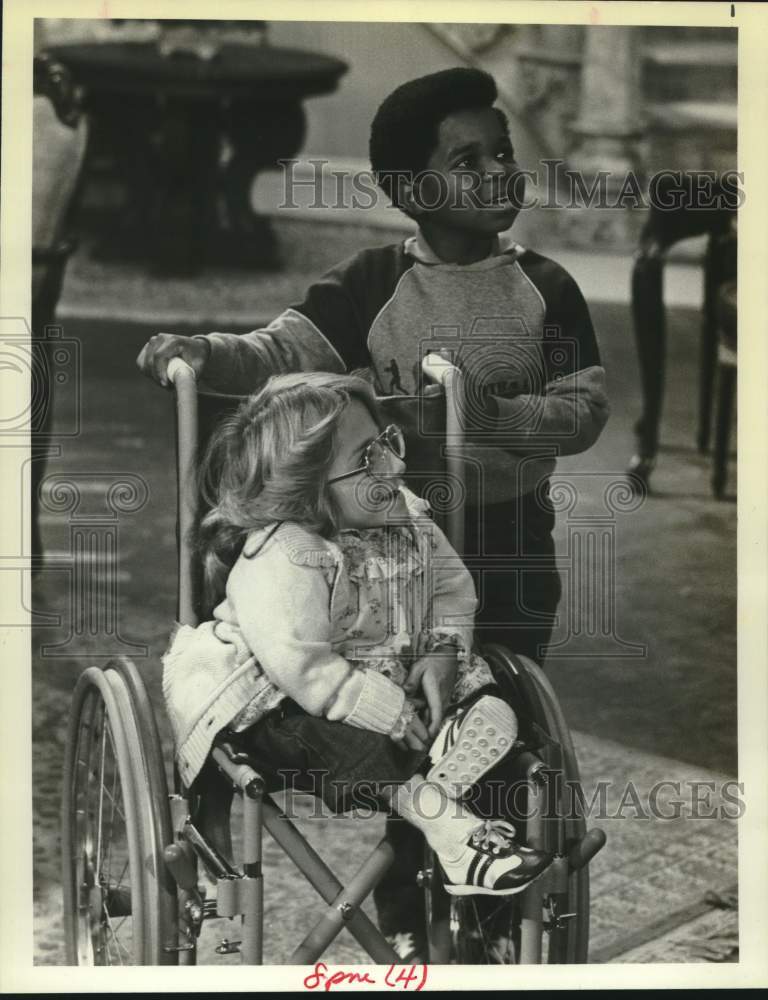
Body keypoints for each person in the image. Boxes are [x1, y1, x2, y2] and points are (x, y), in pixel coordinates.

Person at [140, 67, 608, 959]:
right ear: (409, 191)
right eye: (466, 160)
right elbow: (281, 349)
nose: (498, 173)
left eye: (502, 153)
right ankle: (409, 900)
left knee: (493, 719)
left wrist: (492, 416)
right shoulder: (368, 284)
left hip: (505, 540)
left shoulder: (547, 287)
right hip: (376, 547)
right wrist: (202, 349)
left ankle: (477, 894)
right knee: (401, 723)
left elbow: (584, 411)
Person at [162, 373, 553, 913]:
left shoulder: (406, 519)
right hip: (287, 700)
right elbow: (302, 666)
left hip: (388, 680)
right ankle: (449, 828)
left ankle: (451, 752)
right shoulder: (285, 556)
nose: (395, 466)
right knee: (344, 739)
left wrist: (442, 650)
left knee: (497, 698)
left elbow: (450, 589)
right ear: (307, 490)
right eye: (369, 459)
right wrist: (384, 710)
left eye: (388, 442)